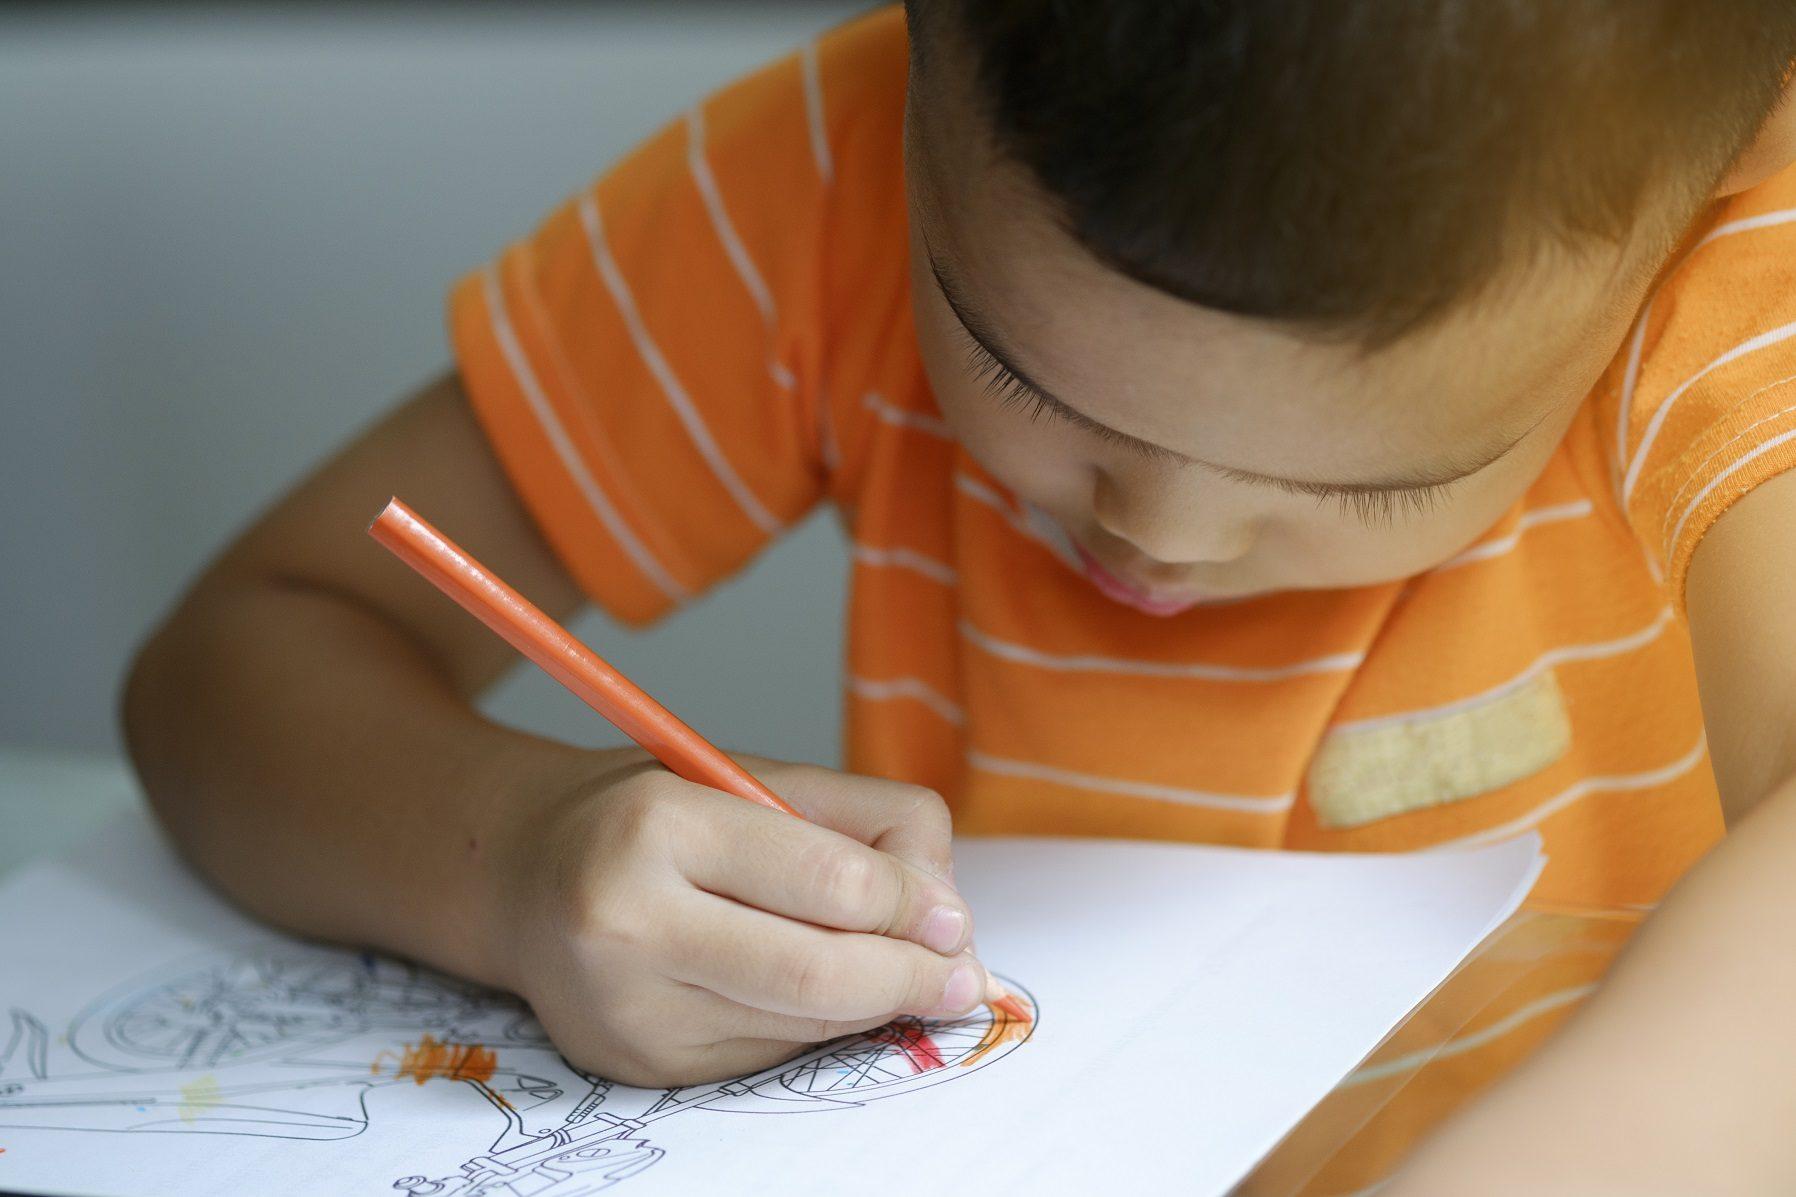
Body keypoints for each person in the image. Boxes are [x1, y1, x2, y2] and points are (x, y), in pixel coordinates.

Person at [124, 2, 1796, 1189]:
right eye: (1019, 370)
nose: (1165, 535)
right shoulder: (825, 186)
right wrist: (526, 865)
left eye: (1380, 482)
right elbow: (239, 653)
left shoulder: (1719, 253)